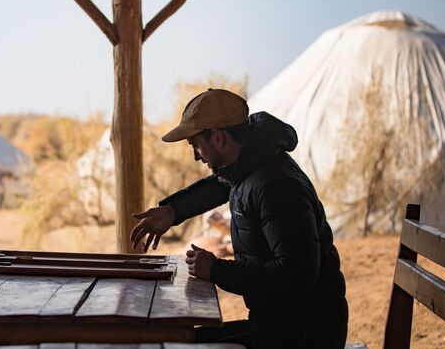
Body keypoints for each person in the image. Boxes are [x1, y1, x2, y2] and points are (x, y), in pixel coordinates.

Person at [130, 88, 348, 349]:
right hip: (280, 324)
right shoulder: (250, 164)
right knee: (175, 341)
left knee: (172, 346)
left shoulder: (276, 185)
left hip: (304, 335)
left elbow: (297, 275)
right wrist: (172, 211)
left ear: (219, 138)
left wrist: (216, 270)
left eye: (196, 145)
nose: (196, 156)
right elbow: (219, 185)